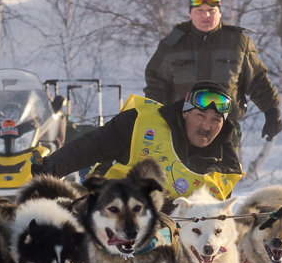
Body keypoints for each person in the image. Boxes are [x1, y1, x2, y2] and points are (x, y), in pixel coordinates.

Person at [33, 79, 243, 200]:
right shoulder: (142, 123)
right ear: (185, 113)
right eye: (201, 116)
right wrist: (53, 166)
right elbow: (93, 145)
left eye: (216, 120)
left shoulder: (226, 164)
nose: (207, 126)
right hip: (117, 214)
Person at [144, 0, 282, 143]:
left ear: (220, 13)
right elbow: (156, 84)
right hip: (180, 129)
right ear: (190, 14)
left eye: (211, 10)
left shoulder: (238, 43)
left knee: (223, 168)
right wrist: (156, 116)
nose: (206, 15)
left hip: (225, 129)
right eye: (200, 11)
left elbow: (257, 81)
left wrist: (271, 112)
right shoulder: (172, 45)